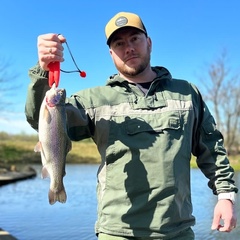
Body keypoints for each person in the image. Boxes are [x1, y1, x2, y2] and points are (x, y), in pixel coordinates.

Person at [25, 11, 238, 240]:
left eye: (134, 39)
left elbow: (211, 147)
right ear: (111, 53)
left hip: (177, 231)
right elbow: (41, 119)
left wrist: (225, 196)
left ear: (149, 42)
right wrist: (42, 71)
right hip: (117, 232)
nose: (128, 48)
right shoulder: (92, 100)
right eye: (119, 43)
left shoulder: (187, 93)